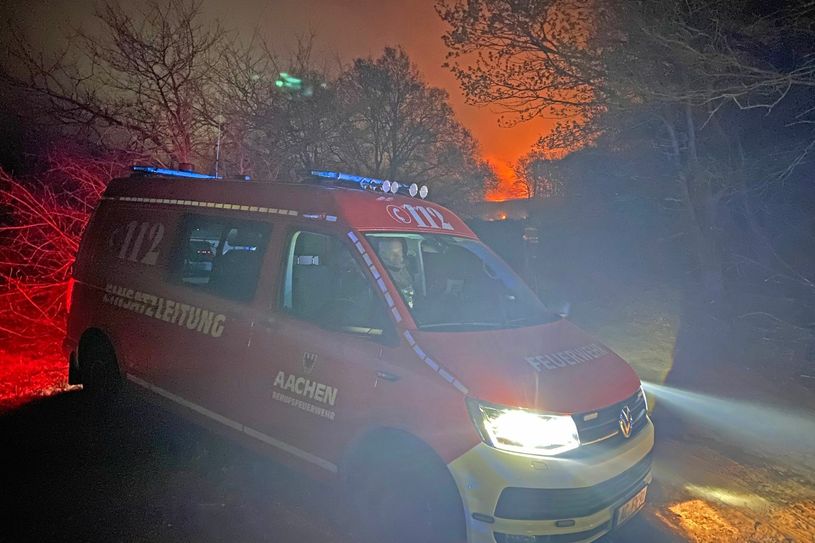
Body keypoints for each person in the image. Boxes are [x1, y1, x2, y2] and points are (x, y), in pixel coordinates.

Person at [378, 238, 415, 307]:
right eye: (384, 254)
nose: (396, 257)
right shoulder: (378, 274)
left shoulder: (407, 270)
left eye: (398, 253)